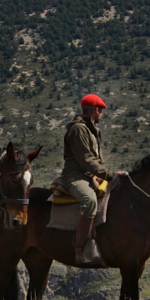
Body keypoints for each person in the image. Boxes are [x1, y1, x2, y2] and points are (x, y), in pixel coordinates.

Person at [61, 94, 125, 264]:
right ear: (96, 110)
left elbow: (96, 161)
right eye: (101, 112)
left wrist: (110, 175)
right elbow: (87, 160)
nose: (101, 115)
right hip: (75, 176)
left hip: (91, 175)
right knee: (89, 201)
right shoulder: (78, 129)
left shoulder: (92, 131)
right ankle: (80, 250)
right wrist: (109, 175)